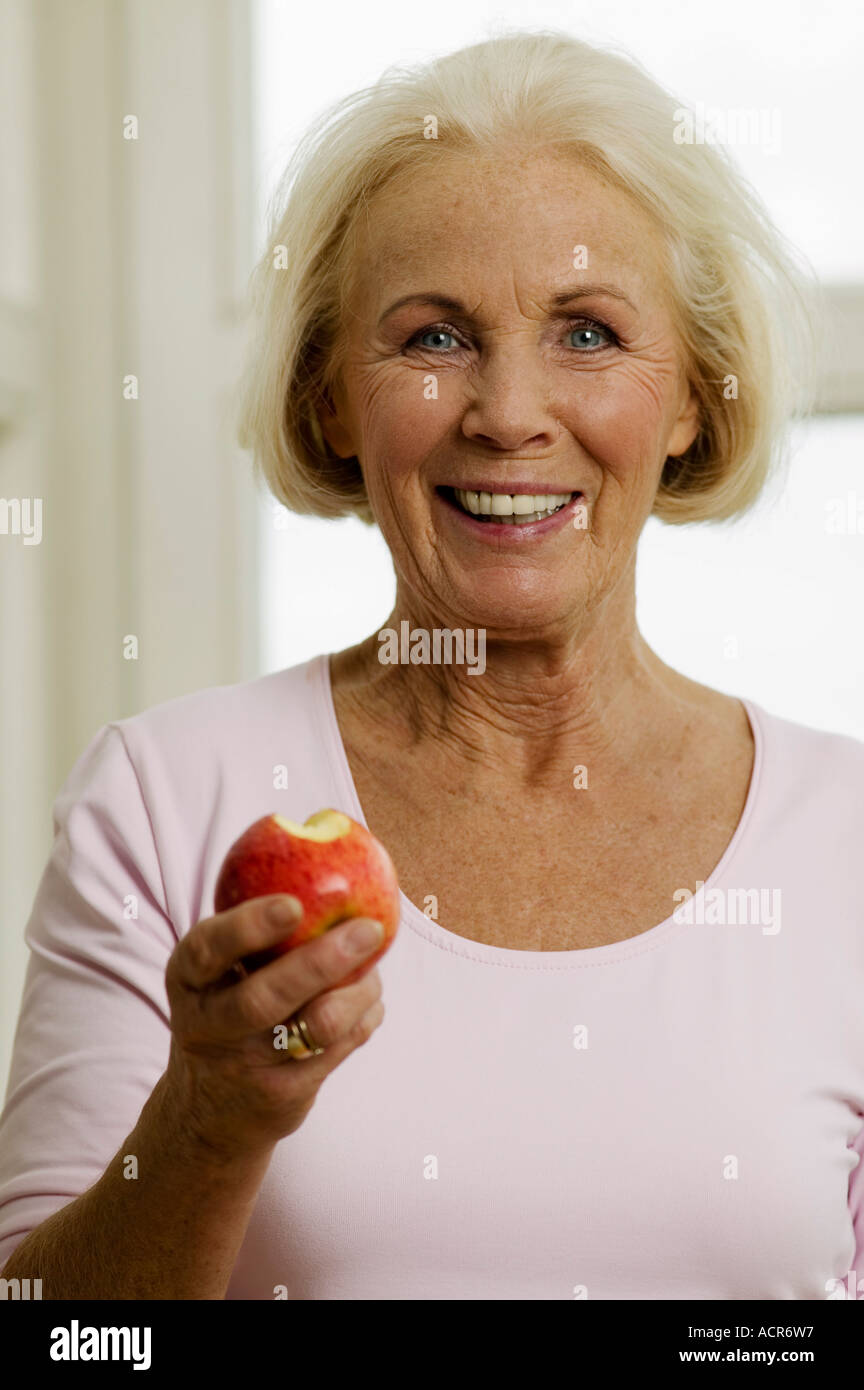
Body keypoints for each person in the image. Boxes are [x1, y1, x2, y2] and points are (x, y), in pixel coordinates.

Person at [1, 30, 862, 1301]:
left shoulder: (845, 839)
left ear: (690, 397)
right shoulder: (164, 797)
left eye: (586, 333)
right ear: (332, 400)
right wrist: (209, 1120)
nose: (508, 412)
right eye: (434, 338)